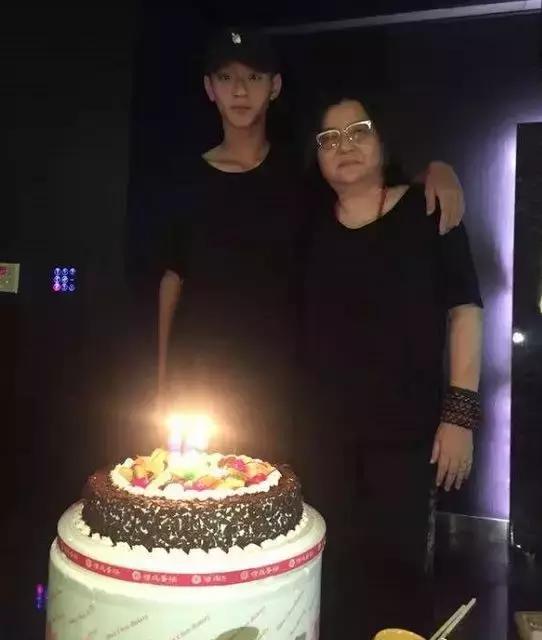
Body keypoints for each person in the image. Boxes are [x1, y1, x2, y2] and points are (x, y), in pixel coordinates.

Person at [155, 29, 465, 463]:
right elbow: (172, 280)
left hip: (286, 385)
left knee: (277, 498)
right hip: (199, 378)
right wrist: (162, 380)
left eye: (254, 77)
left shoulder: (300, 172)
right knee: (200, 493)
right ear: (209, 88)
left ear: (275, 86)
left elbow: (367, 190)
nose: (240, 90)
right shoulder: (184, 179)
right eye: (226, 78)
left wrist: (436, 169)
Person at [299, 93, 483, 638]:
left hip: (406, 438)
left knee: (399, 587)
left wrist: (460, 415)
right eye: (329, 138)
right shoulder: (309, 227)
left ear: (383, 140)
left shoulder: (428, 210)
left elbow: (465, 311)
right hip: (322, 440)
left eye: (358, 130)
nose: (345, 146)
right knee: (328, 582)